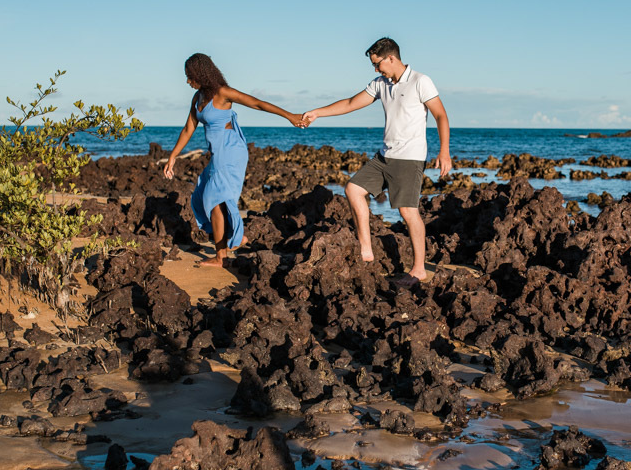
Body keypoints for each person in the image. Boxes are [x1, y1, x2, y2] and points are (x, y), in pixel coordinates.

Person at [303, 37, 451, 285]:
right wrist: (318, 112)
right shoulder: (381, 83)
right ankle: (366, 249)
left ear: (391, 58)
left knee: (408, 211)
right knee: (353, 189)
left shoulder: (420, 81)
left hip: (409, 159)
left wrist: (444, 151)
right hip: (384, 156)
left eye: (377, 63)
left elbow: (440, 115)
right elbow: (351, 103)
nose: (376, 69)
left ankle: (418, 269)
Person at [164, 53, 304, 267]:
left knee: (214, 199)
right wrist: (172, 157)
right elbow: (188, 128)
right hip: (217, 154)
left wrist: (290, 116)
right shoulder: (198, 98)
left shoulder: (223, 93)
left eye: (189, 76)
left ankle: (224, 254)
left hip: (231, 152)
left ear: (200, 74)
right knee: (204, 196)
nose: (187, 81)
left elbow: (257, 103)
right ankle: (235, 240)